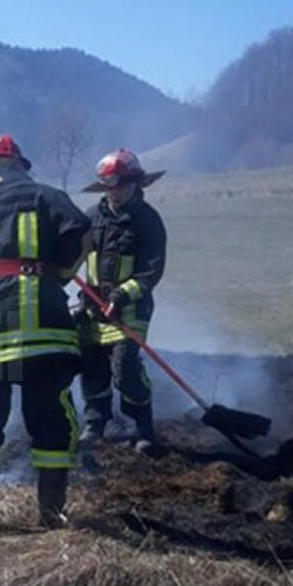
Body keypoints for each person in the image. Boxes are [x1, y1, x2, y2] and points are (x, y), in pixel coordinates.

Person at [0, 134, 91, 529]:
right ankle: (51, 517)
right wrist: (60, 275)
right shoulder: (43, 195)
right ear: (16, 168)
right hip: (40, 324)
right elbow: (81, 234)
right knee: (49, 414)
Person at [75, 148, 167, 453]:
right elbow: (71, 259)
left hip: (130, 309)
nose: (115, 193)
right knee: (92, 368)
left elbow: (150, 272)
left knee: (125, 368)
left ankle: (144, 427)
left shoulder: (148, 221)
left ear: (135, 185)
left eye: (121, 186)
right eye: (110, 187)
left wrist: (119, 295)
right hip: (92, 309)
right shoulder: (88, 219)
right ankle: (95, 424)